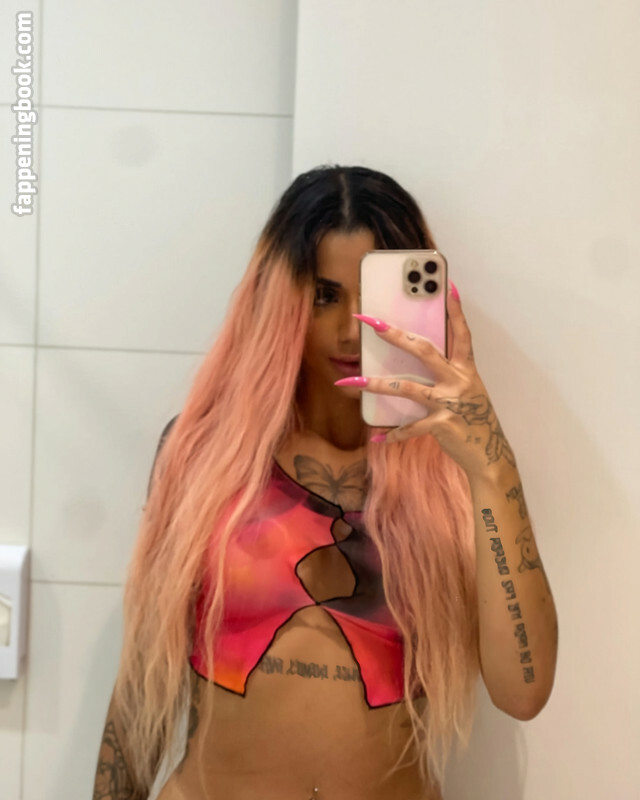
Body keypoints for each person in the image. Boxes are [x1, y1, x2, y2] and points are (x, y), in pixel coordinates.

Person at [92, 164, 558, 800]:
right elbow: (144, 681)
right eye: (324, 295)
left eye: (372, 301)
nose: (349, 330)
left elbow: (524, 691)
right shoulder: (205, 452)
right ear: (280, 299)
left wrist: (492, 464)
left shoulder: (452, 472)